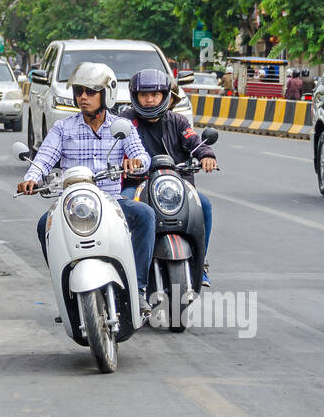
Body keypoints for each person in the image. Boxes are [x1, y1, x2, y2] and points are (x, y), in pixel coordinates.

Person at [16, 62, 155, 314]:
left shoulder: (121, 127)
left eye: (90, 92)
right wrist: (32, 177)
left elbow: (142, 157)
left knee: (145, 215)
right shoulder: (63, 128)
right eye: (79, 91)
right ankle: (66, 288)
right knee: (42, 226)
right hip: (72, 205)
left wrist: (136, 162)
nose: (83, 97)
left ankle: (140, 288)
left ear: (106, 94)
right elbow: (44, 158)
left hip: (111, 201)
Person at [122, 69, 218, 288]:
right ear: (135, 96)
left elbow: (194, 141)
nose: (149, 99)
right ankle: (127, 264)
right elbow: (113, 146)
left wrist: (207, 155)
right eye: (144, 95)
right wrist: (124, 164)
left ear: (165, 95)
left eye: (155, 94)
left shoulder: (178, 121)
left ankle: (200, 262)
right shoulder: (125, 122)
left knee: (204, 205)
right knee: (123, 208)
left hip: (174, 185)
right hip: (137, 184)